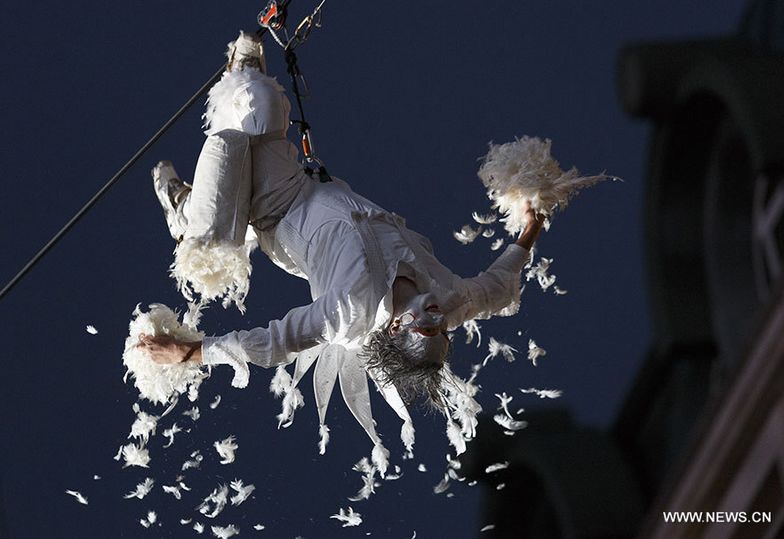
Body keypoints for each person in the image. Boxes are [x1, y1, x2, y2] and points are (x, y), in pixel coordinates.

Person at [138, 32, 544, 459]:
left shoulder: (349, 312)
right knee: (263, 103)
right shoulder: (452, 297)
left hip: (275, 212)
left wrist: (189, 353)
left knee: (228, 146)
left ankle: (183, 214)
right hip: (296, 184)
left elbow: (273, 343)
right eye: (443, 329)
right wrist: (533, 224)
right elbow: (498, 287)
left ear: (394, 329)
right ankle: (239, 85)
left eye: (426, 326)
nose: (437, 317)